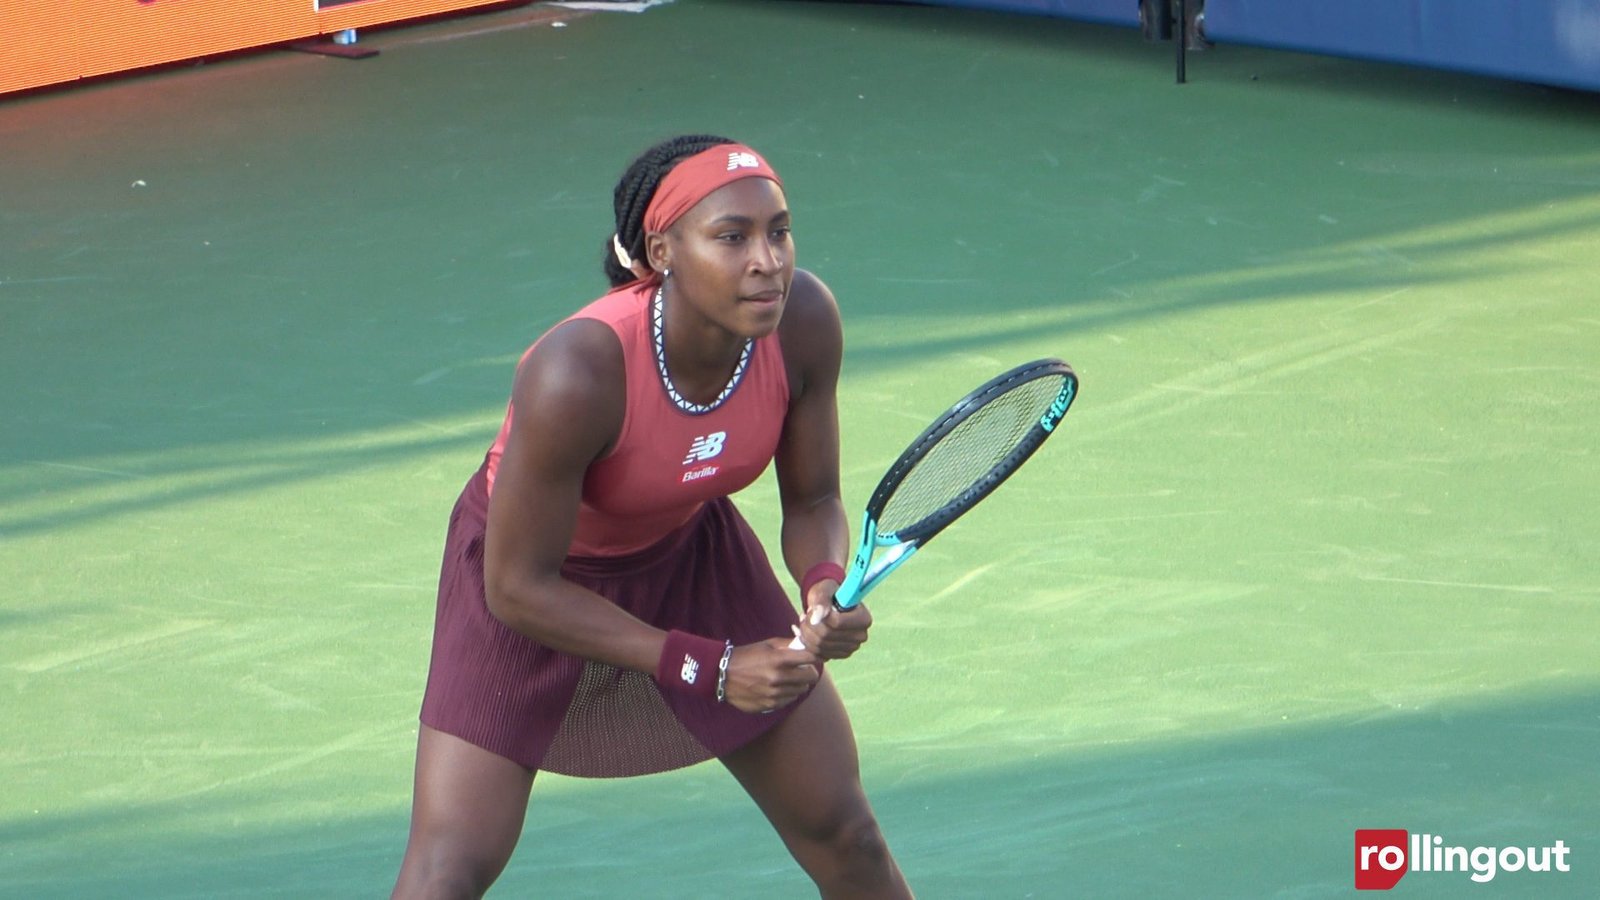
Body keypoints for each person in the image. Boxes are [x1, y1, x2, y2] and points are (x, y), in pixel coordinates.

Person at [392, 134, 913, 899]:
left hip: (692, 560)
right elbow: (516, 587)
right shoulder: (578, 369)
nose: (767, 261)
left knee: (848, 835)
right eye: (732, 237)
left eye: (779, 231)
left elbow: (812, 500)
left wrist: (824, 584)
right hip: (535, 581)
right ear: (663, 251)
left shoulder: (803, 321)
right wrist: (712, 667)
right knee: (448, 872)